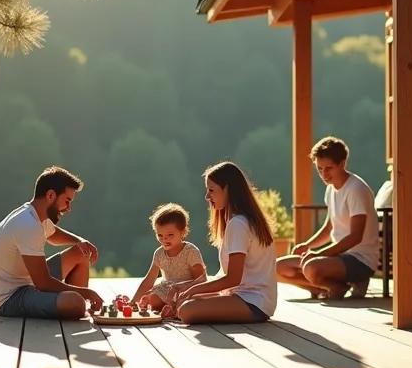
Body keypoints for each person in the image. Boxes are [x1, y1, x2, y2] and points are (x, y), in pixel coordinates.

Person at [0, 166, 104, 319]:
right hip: (10, 298)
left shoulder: (36, 215)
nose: (69, 208)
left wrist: (79, 241)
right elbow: (43, 284)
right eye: (67, 201)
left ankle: (72, 306)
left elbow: (53, 234)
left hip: (30, 283)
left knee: (80, 254)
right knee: (75, 302)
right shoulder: (28, 224)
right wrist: (86, 293)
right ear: (51, 195)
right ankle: (75, 306)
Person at [168, 161, 278, 324]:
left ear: (228, 190)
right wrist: (186, 287)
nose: (207, 197)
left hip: (253, 302)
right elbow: (223, 277)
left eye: (211, 190)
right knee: (180, 299)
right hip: (246, 298)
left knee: (186, 309)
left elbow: (233, 279)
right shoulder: (238, 222)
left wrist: (193, 290)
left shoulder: (238, 224)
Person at [276, 136, 380, 299]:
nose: (324, 174)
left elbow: (355, 237)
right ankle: (328, 288)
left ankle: (355, 280)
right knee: (277, 268)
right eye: (319, 169)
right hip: (337, 258)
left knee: (311, 267)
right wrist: (307, 246)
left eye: (329, 168)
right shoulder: (331, 189)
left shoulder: (356, 189)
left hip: (360, 260)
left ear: (342, 164)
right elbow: (330, 227)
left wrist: (319, 255)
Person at [130, 203, 207, 310]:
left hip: (186, 291)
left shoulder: (190, 252)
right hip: (166, 290)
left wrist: (183, 292)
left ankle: (172, 307)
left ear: (183, 232)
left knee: (184, 303)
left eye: (170, 235)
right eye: (160, 235)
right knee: (151, 300)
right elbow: (149, 280)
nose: (164, 239)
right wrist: (133, 301)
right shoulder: (159, 254)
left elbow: (201, 280)